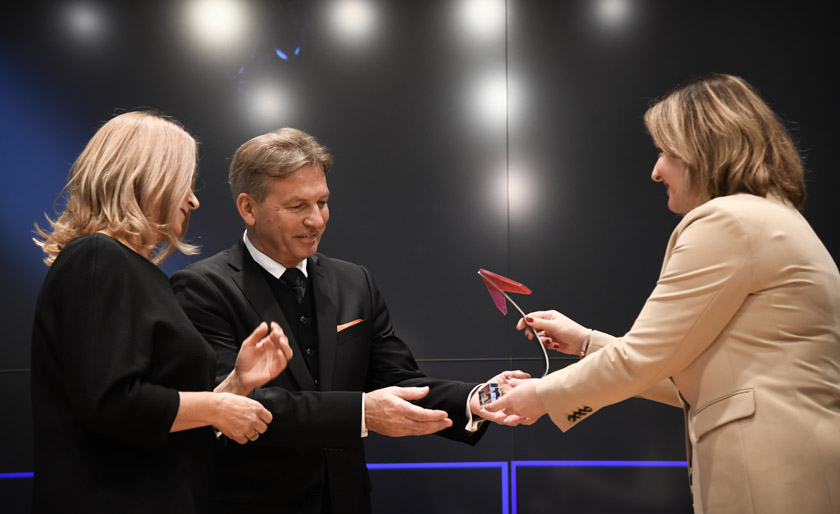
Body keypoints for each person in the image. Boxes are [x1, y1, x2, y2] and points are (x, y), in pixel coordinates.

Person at [484, 73, 840, 514]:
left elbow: (643, 357)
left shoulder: (727, 222)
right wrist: (586, 342)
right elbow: (685, 381)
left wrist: (540, 397)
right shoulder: (769, 219)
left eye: (665, 152)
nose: (656, 172)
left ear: (705, 148)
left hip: (772, 476)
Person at [170, 127, 530, 514]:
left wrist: (480, 397)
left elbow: (398, 380)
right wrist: (361, 413)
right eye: (297, 206)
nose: (316, 220)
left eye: (322, 202)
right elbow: (233, 405)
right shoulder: (201, 288)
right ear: (248, 208)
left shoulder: (354, 281)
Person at [30, 111, 294, 513]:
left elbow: (158, 414)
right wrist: (217, 407)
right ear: (145, 179)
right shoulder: (98, 256)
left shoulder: (137, 270)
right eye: (184, 183)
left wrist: (236, 384)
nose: (193, 200)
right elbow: (113, 401)